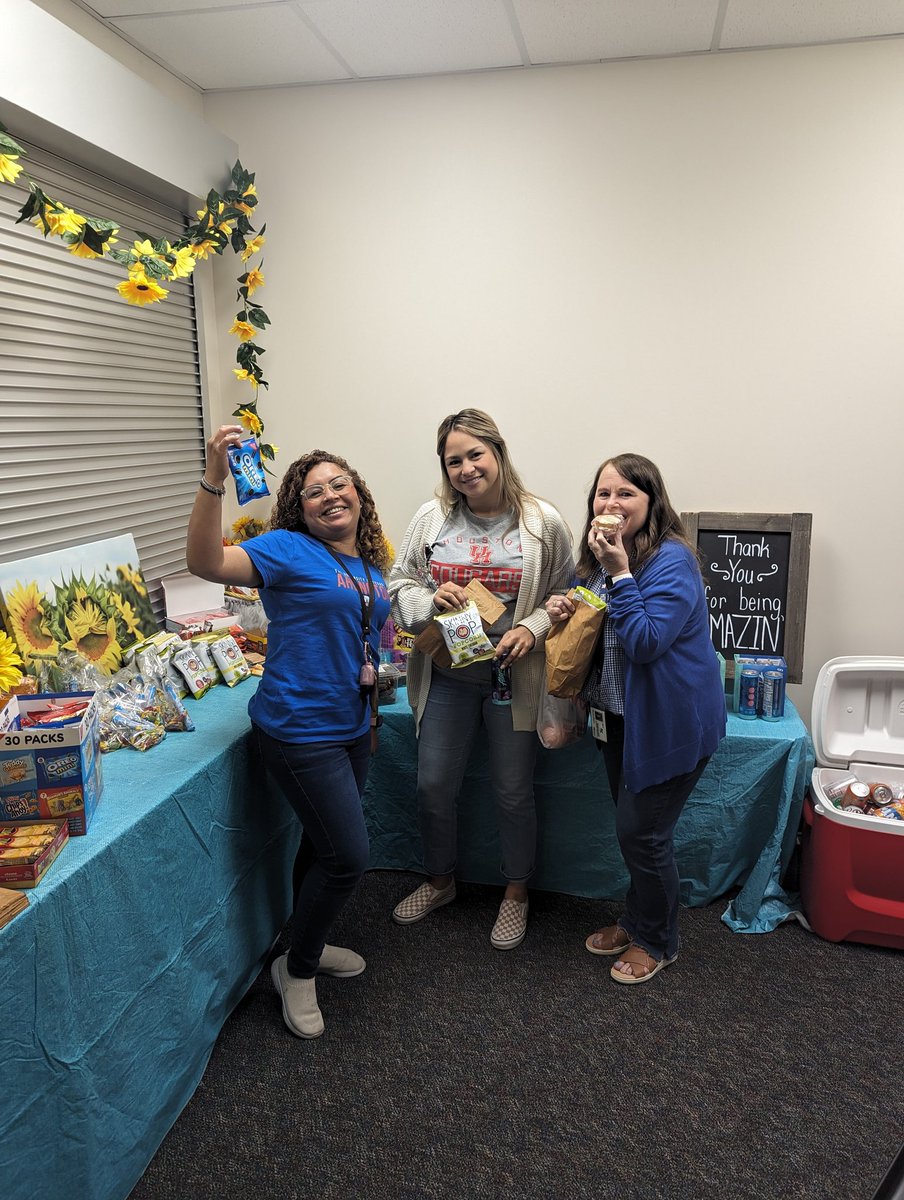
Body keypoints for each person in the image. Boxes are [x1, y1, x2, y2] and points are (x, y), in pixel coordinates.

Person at [186, 425, 391, 1038]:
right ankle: (295, 970)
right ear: (297, 509)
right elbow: (204, 561)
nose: (329, 495)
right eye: (312, 491)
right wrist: (213, 478)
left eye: (338, 483)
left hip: (352, 723)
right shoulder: (285, 550)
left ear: (358, 492)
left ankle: (310, 937)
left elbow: (359, 629)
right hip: (300, 730)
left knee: (321, 846)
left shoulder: (368, 564)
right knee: (349, 857)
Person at [388, 409, 573, 949]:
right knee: (432, 785)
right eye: (454, 461)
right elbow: (399, 584)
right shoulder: (431, 519)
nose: (466, 469)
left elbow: (570, 597)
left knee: (513, 792)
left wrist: (533, 629)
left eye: (475, 455)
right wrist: (429, 599)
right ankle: (441, 880)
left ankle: (516, 893)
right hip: (449, 671)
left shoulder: (543, 522)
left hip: (512, 678)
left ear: (498, 453)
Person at [546, 453, 726, 984]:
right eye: (603, 494)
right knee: (634, 835)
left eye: (626, 494)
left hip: (669, 725)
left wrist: (621, 573)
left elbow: (646, 642)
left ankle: (658, 940)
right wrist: (568, 608)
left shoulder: (671, 560)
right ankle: (637, 918)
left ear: (651, 502)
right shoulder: (599, 559)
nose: (611, 504)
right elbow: (602, 626)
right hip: (618, 720)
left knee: (643, 836)